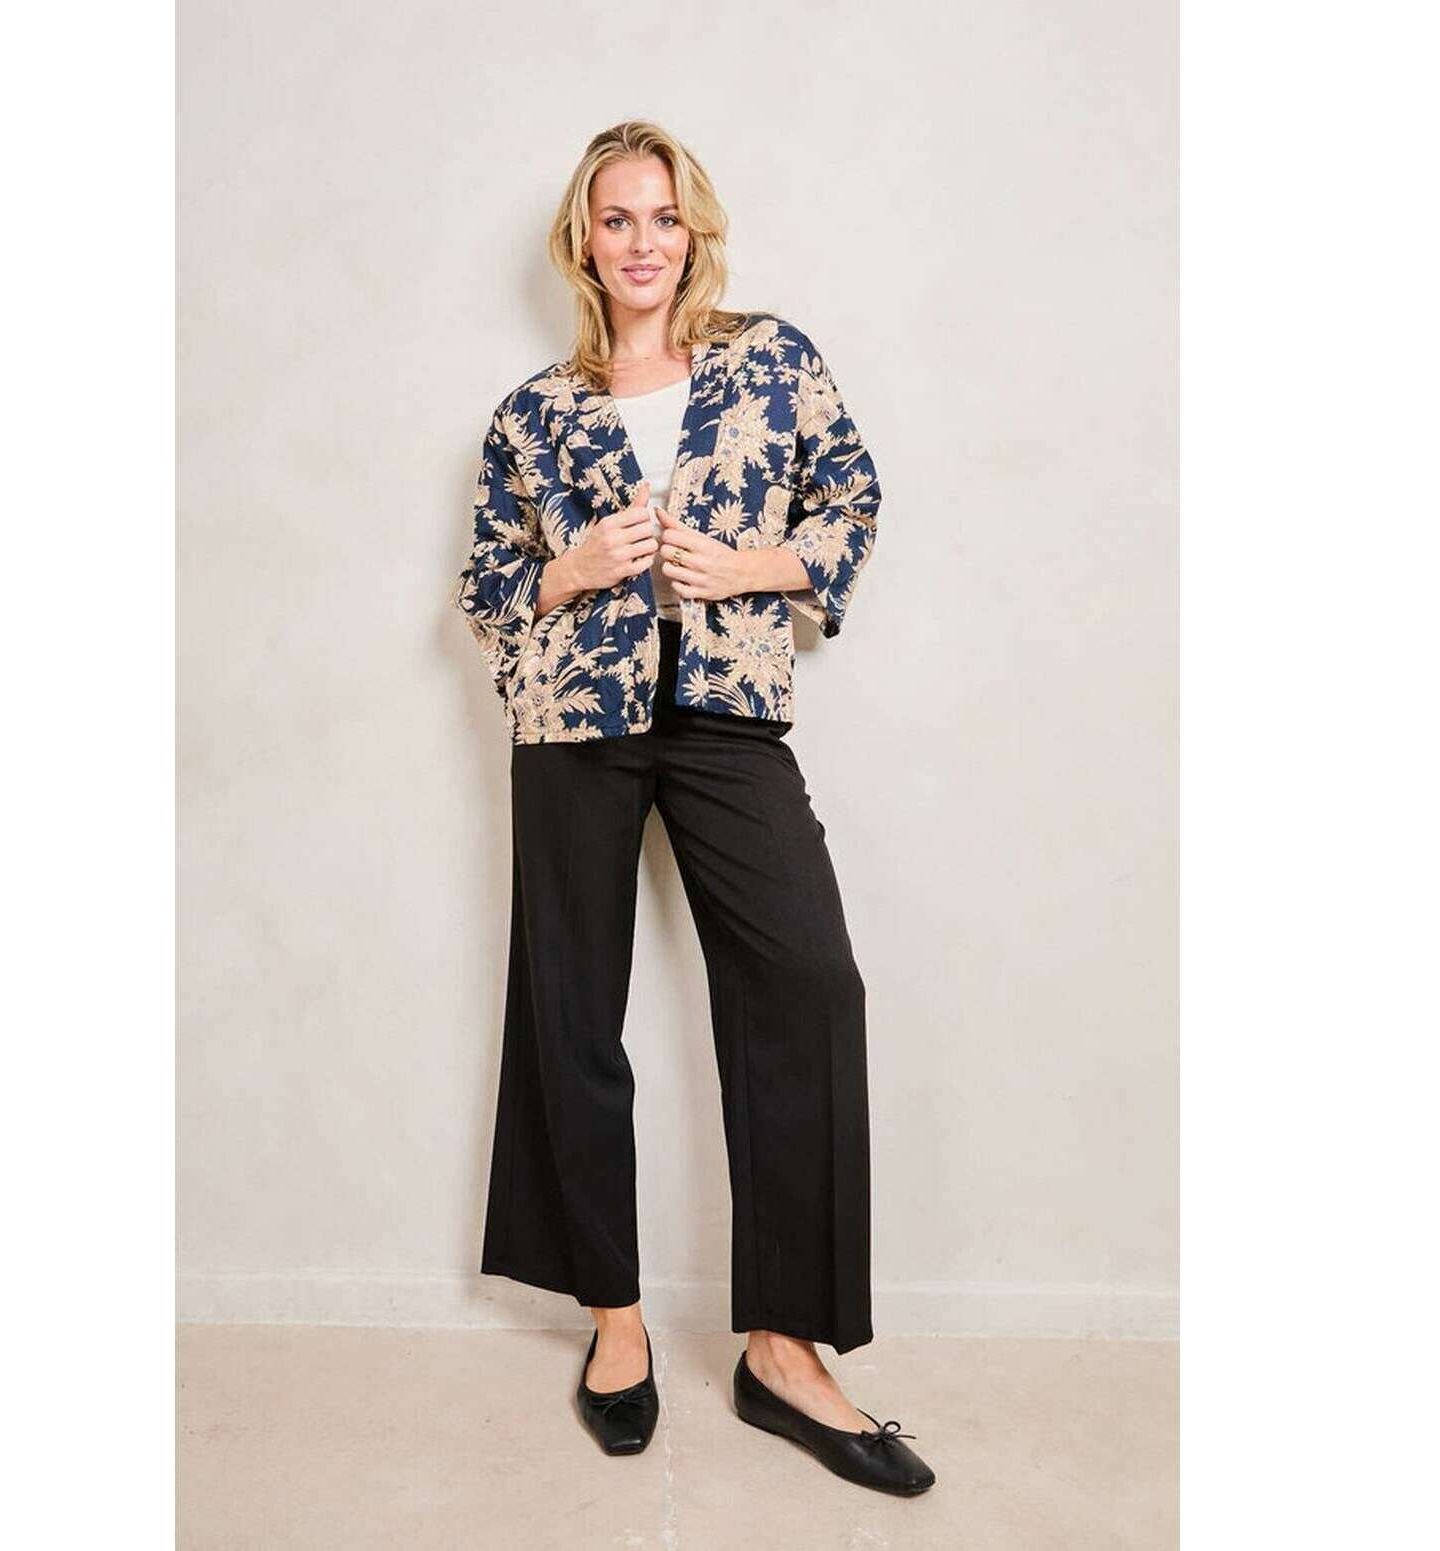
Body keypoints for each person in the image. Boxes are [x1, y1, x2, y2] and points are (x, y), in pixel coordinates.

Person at [450, 120, 935, 1498]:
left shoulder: (770, 359)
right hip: (574, 723)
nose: (642, 241)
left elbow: (852, 498)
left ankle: (785, 1348)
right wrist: (572, 568)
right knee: (570, 1013)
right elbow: (485, 587)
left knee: (808, 984)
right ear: (583, 240)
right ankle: (614, 1319)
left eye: (663, 216)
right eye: (617, 219)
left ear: (694, 230)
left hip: (726, 711)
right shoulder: (535, 412)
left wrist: (747, 569)